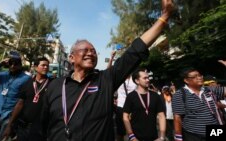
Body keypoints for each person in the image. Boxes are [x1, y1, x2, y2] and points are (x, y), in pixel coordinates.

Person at [40, 0, 174, 140]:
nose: (91, 53)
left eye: (93, 51)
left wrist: (164, 17)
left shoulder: (105, 80)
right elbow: (42, 125)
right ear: (71, 58)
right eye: (85, 50)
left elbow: (135, 51)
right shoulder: (55, 86)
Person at [0, 51, 31, 141]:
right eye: (11, 63)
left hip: (9, 116)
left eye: (16, 64)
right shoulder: (3, 75)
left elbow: (24, 100)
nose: (13, 66)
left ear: (20, 65)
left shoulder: (26, 78)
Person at [2, 57, 52, 141]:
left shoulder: (53, 84)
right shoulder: (27, 83)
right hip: (24, 127)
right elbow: (20, 103)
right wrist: (9, 125)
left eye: (47, 66)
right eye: (43, 65)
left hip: (41, 128)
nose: (46, 67)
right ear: (35, 67)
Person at [172, 67, 226, 141]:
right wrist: (178, 138)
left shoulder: (209, 90)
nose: (199, 78)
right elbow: (177, 118)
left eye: (200, 75)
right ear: (186, 80)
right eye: (194, 76)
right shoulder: (180, 94)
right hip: (194, 135)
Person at [123, 68, 166, 141]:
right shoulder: (131, 96)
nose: (148, 80)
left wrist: (162, 137)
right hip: (136, 138)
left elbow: (161, 116)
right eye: (145, 78)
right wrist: (132, 136)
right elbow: (125, 116)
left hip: (154, 137)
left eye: (148, 78)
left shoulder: (155, 96)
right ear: (137, 81)